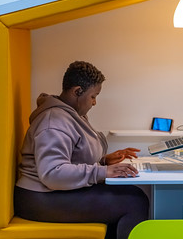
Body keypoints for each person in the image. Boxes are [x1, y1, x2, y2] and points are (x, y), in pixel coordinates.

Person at [14, 61, 149, 239]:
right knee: (134, 202)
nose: (94, 102)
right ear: (77, 91)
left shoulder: (71, 115)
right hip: (40, 198)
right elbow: (53, 173)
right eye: (93, 96)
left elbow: (72, 158)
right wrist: (102, 171)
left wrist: (104, 161)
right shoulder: (53, 121)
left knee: (131, 194)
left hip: (53, 193)